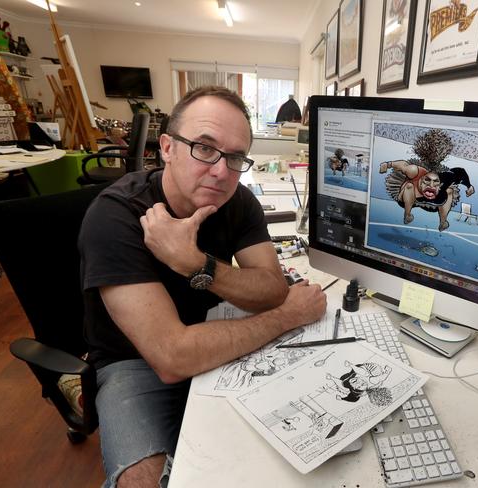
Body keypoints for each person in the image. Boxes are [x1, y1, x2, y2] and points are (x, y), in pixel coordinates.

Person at [78, 85, 327, 488]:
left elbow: (271, 290)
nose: (221, 170)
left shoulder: (238, 201)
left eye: (234, 157)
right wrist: (285, 318)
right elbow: (172, 357)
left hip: (215, 331)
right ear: (167, 147)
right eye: (204, 148)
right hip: (134, 362)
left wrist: (196, 264)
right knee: (142, 480)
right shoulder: (115, 217)